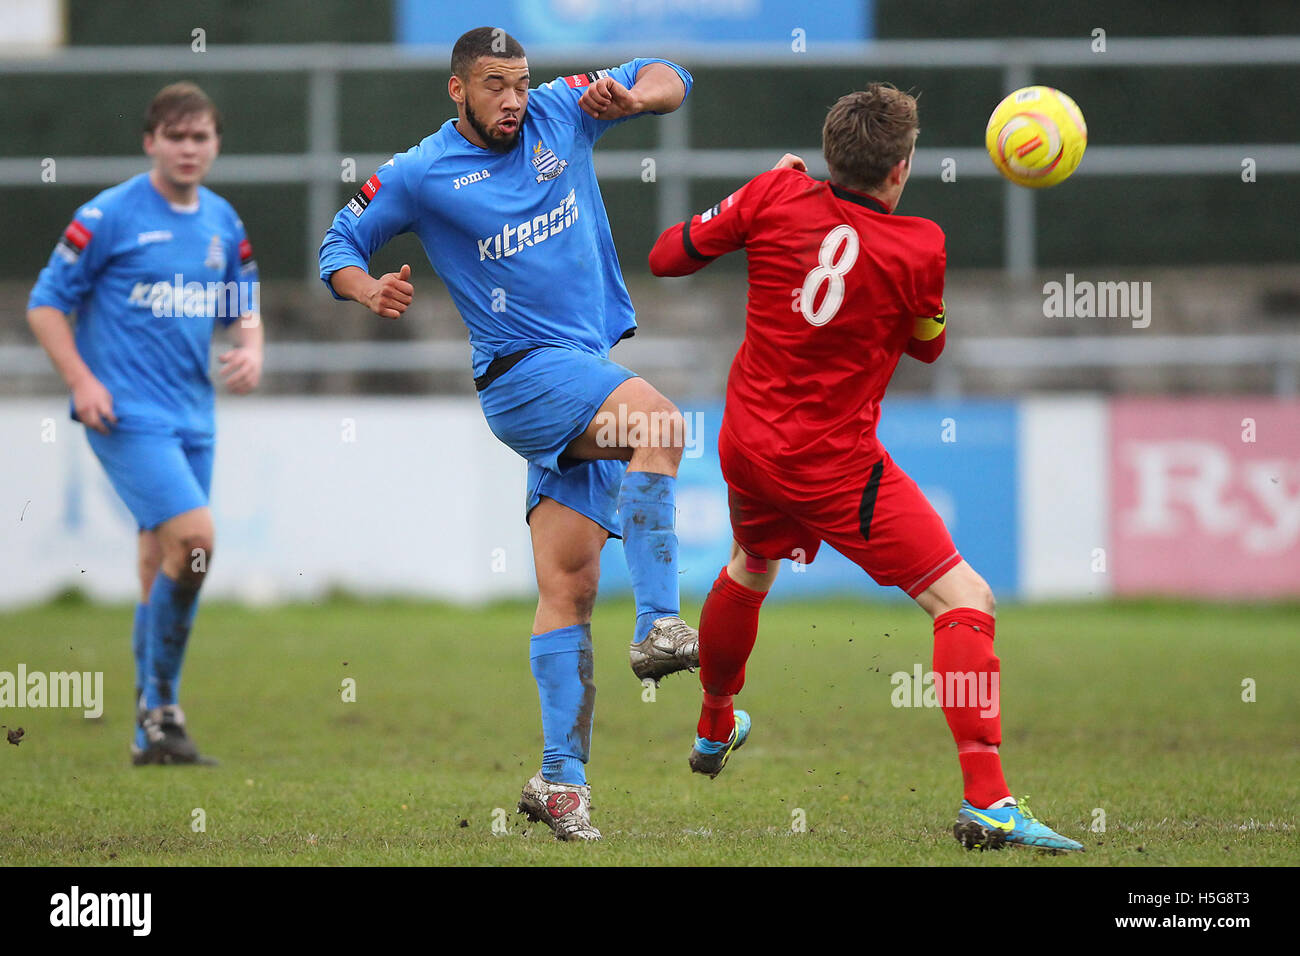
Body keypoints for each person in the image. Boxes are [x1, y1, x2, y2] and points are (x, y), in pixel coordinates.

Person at [647, 84, 1083, 852]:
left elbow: (667, 257)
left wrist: (754, 196)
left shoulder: (774, 194)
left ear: (827, 152)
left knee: (749, 566)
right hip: (833, 464)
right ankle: (988, 798)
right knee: (966, 600)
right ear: (901, 168)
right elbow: (928, 346)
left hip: (747, 443)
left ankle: (715, 725)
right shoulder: (919, 245)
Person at [319, 26, 697, 842]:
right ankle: (660, 625)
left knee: (570, 586)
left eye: (521, 82)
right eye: (495, 85)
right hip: (523, 377)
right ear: (458, 89)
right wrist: (365, 287)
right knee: (660, 424)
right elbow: (337, 241)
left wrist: (636, 97)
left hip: (582, 368)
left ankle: (559, 781)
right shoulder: (423, 172)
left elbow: (672, 72)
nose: (514, 99)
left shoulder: (564, 111)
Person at [27, 82, 264, 766]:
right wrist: (82, 380)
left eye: (202, 137)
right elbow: (46, 304)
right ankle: (161, 707)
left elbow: (243, 308)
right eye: (176, 136)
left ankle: (151, 732)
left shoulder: (223, 222)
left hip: (195, 415)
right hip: (125, 413)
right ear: (150, 141)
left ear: (216, 144)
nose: (189, 149)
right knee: (195, 544)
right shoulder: (108, 215)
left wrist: (250, 350)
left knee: (158, 563)